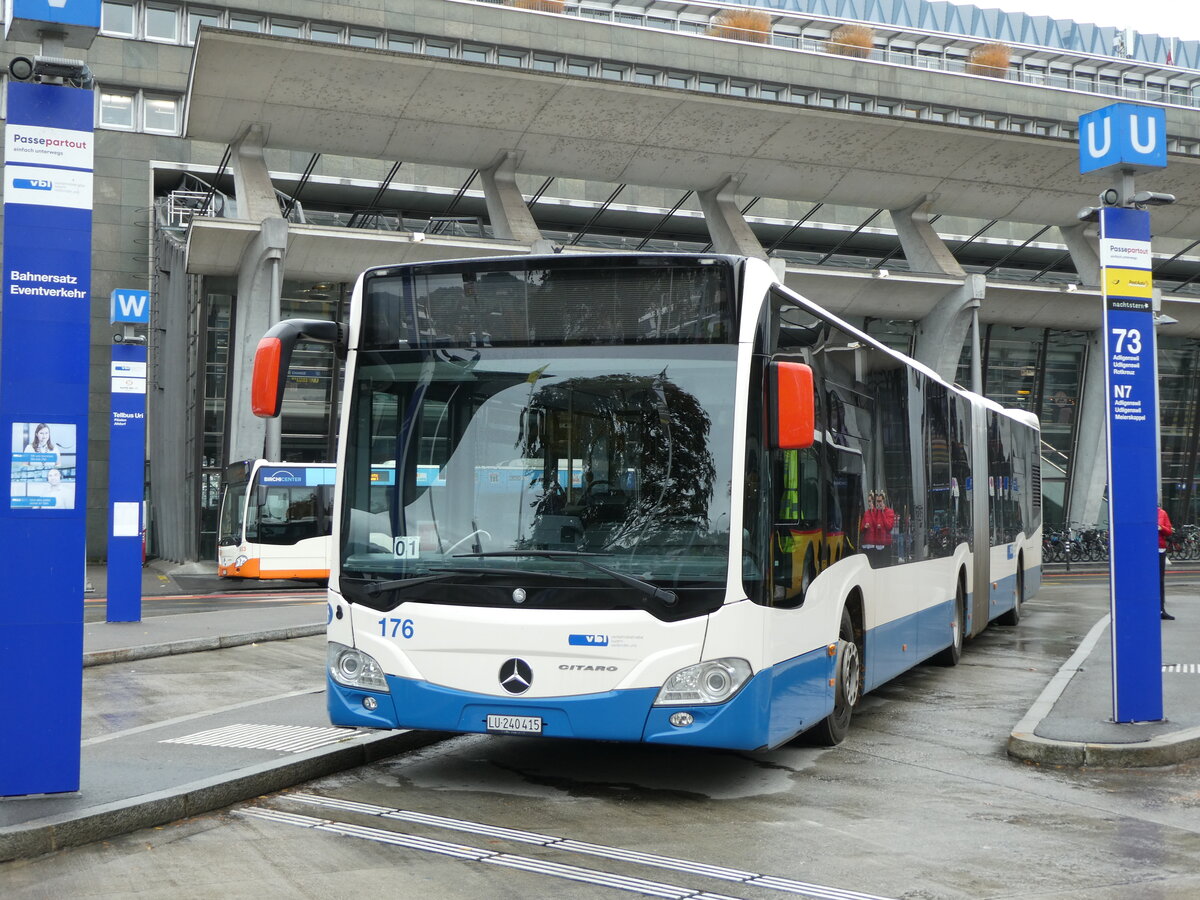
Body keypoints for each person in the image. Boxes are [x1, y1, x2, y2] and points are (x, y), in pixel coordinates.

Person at [1159, 506, 1174, 621]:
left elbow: (1169, 531)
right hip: (1145, 550)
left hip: (1159, 549)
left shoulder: (1162, 513)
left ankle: (1161, 609)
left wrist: (1161, 527)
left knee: (1160, 580)